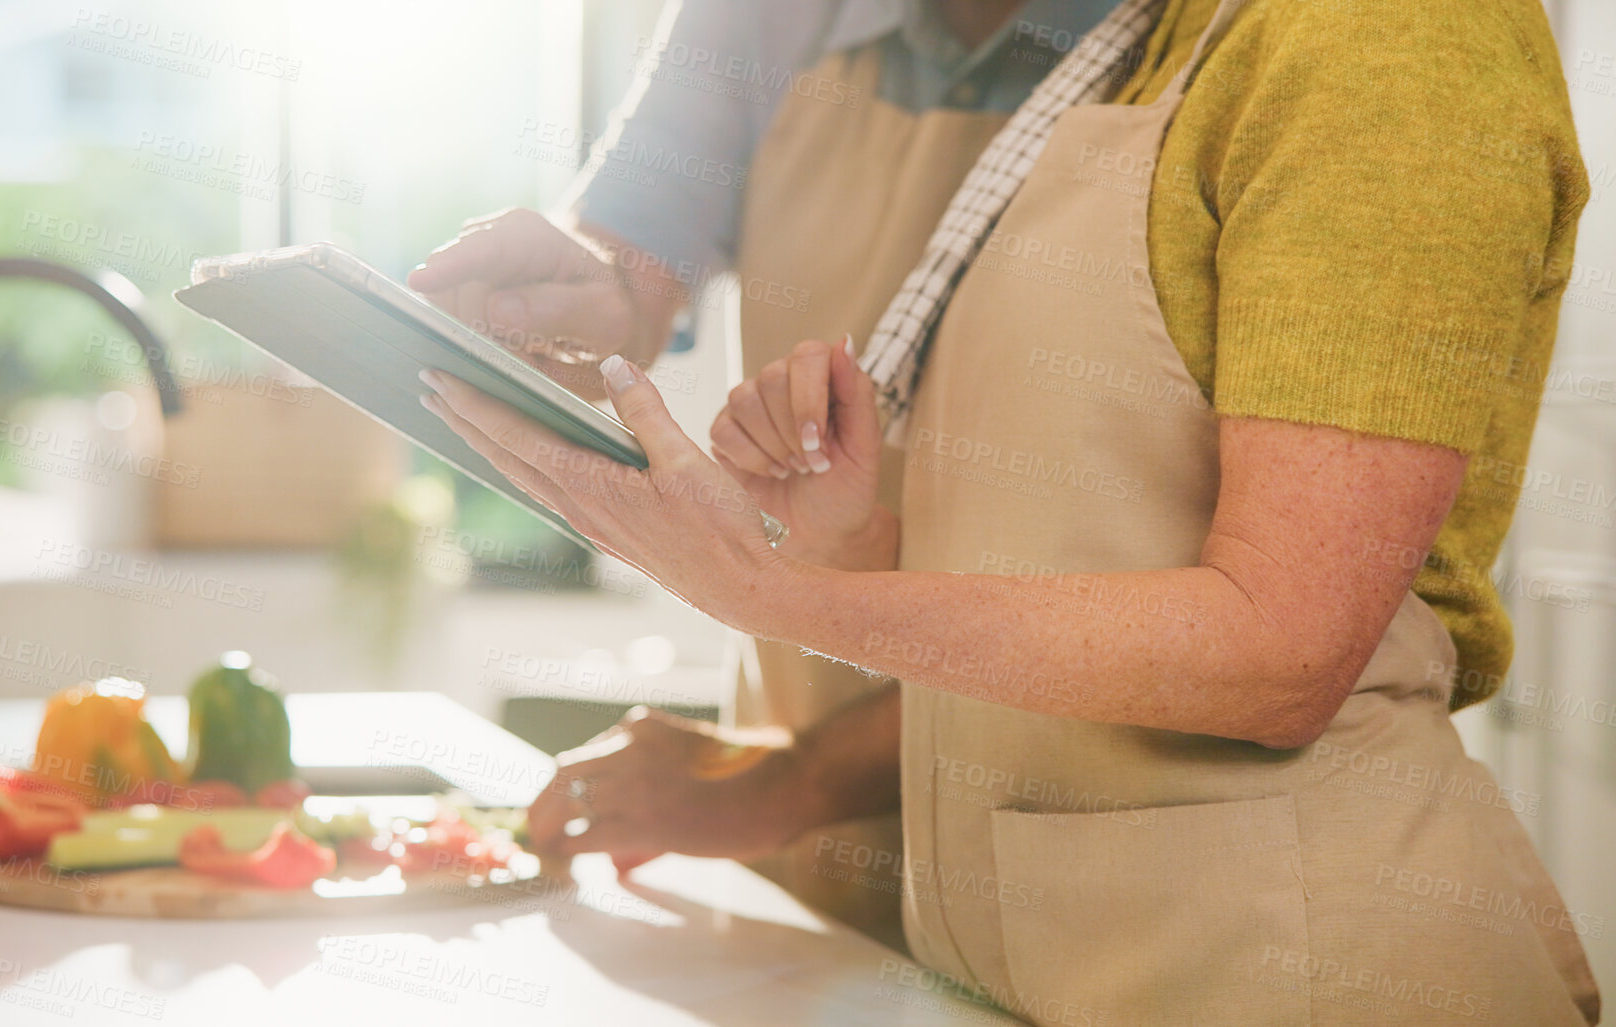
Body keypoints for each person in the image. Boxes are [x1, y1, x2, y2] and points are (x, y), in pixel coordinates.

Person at [420, 0, 1601, 1021]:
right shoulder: (1148, 49)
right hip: (1026, 956)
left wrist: (782, 592)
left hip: (1301, 968)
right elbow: (1076, 516)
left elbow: (1285, 652)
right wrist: (851, 546)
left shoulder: (1397, 43)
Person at [411, 0, 1123, 951]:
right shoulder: (756, 17)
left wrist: (789, 782)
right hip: (796, 777)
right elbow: (624, 280)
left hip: (1083, 808)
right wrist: (580, 299)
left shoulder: (1199, 35)